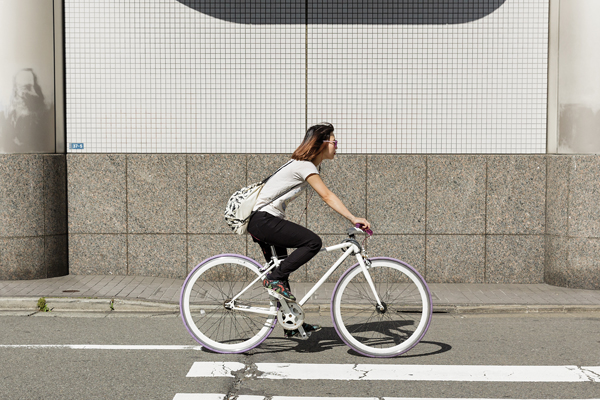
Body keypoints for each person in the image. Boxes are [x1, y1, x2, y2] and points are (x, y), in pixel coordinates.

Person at [247, 122, 371, 338]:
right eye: (334, 141)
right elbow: (327, 195)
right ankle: (273, 279)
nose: (336, 146)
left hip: (262, 221)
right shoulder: (305, 166)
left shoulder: (304, 165)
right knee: (312, 242)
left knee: (282, 272)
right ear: (322, 143)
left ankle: (293, 324)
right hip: (263, 220)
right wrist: (353, 217)